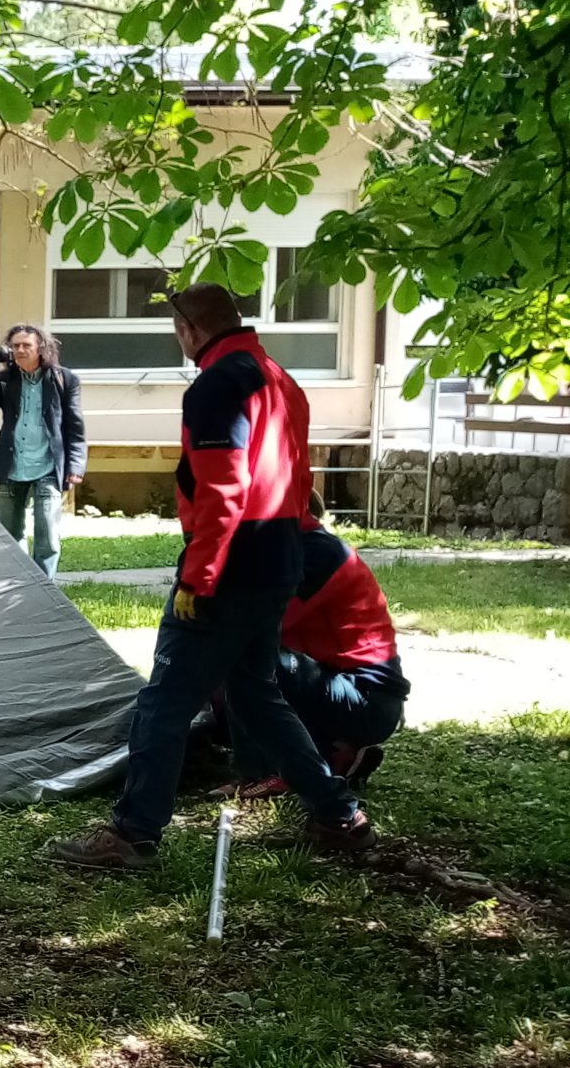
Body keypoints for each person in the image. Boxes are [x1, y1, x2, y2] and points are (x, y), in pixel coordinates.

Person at [45, 283, 374, 871]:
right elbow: (295, 481)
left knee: (165, 699)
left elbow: (225, 489)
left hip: (228, 567)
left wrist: (200, 577)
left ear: (189, 330)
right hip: (279, 559)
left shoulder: (217, 386)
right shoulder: (279, 377)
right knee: (256, 693)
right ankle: (338, 814)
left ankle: (133, 833)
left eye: (176, 326)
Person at [227, 521, 406, 794]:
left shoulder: (317, 552)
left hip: (368, 699)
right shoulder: (289, 548)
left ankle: (268, 772)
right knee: (230, 685)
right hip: (347, 688)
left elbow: (255, 624)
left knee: (246, 660)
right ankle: (335, 757)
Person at [0, 323, 86, 576]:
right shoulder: (4, 379)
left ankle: (46, 587)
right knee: (10, 535)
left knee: (47, 537)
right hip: (11, 465)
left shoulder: (64, 379)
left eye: (27, 345)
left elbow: (75, 427)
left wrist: (76, 466)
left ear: (41, 348)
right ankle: (22, 586)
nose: (20, 350)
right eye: (15, 346)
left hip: (48, 465)